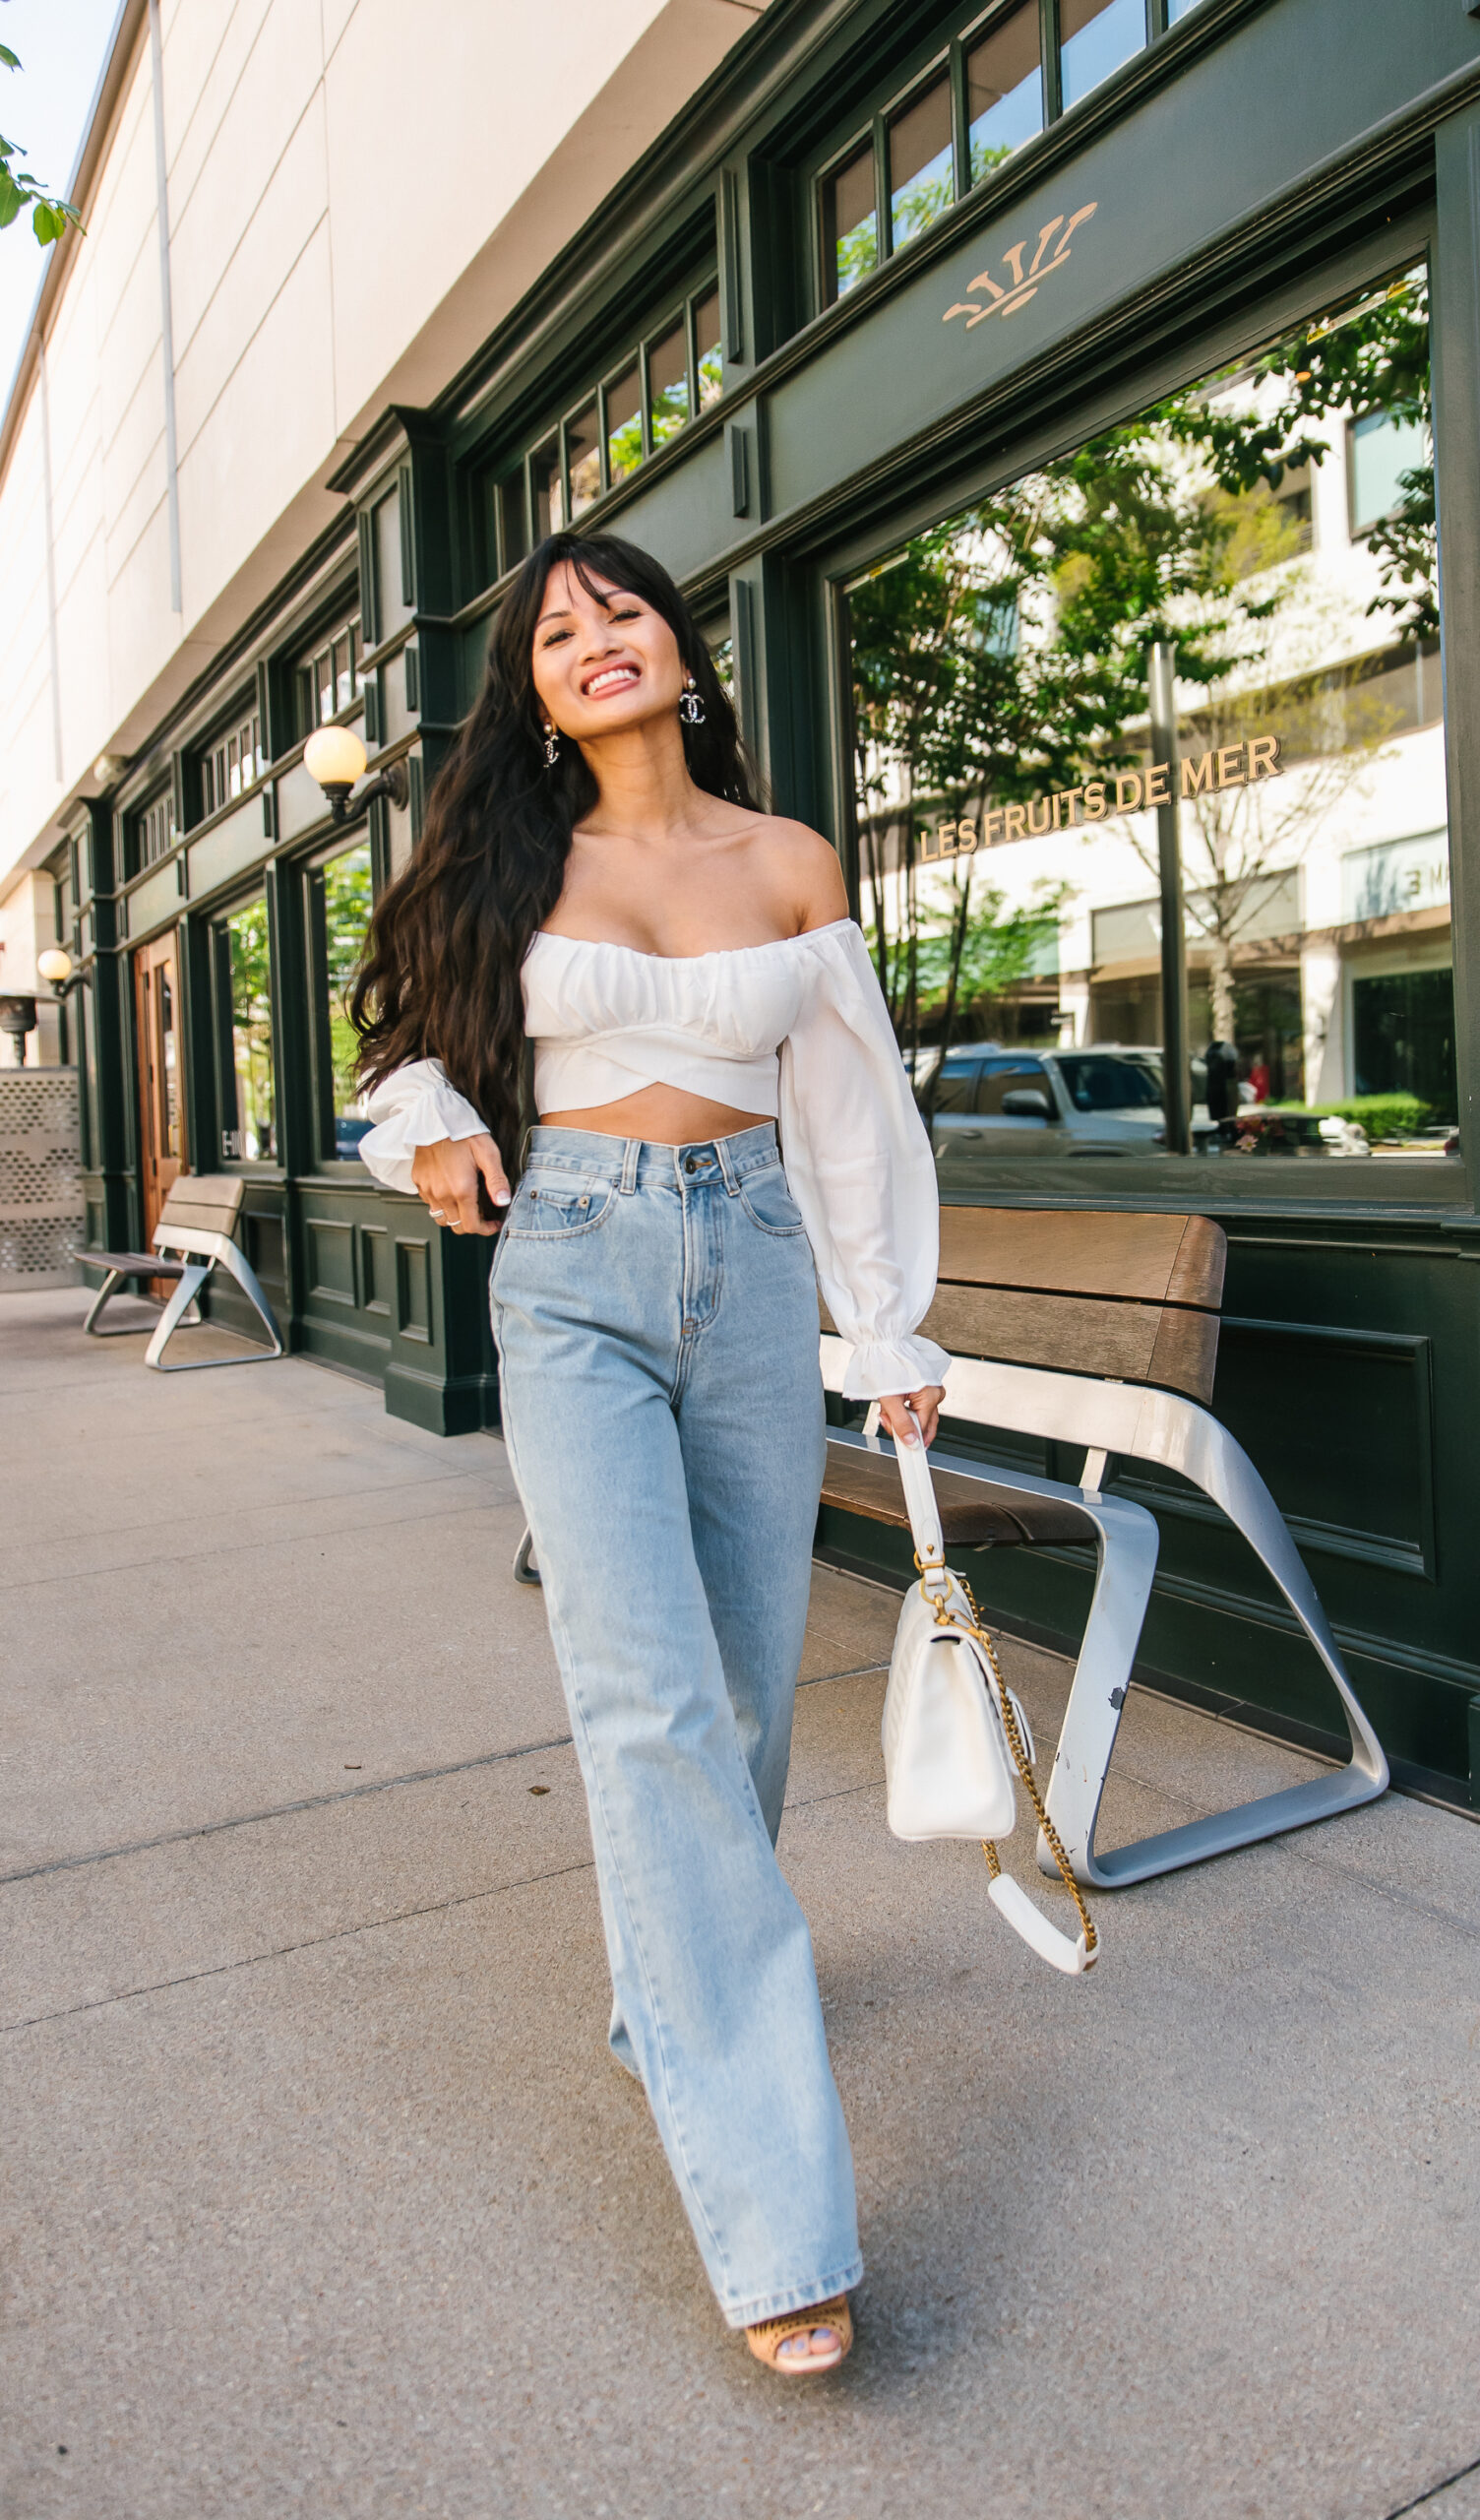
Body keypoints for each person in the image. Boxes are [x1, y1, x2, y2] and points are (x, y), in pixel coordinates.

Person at [350, 533, 948, 2378]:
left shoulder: (788, 864)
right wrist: (433, 1130)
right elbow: (389, 1059)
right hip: (575, 1277)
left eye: (619, 610)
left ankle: (667, 2001)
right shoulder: (503, 861)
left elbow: (849, 1112)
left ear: (684, 650)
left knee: (749, 1697)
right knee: (651, 1707)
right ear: (530, 690)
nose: (591, 640)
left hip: (759, 1270)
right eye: (553, 630)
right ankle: (780, 2225)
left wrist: (889, 1327)